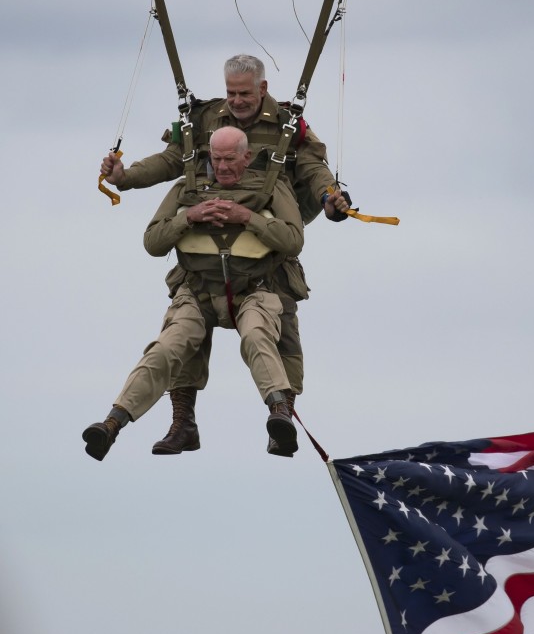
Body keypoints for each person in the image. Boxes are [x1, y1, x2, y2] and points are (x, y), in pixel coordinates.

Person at [100, 54, 350, 455]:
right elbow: (171, 160)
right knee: (179, 338)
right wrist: (125, 179)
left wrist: (330, 198)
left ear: (263, 89)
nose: (236, 101)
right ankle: (180, 423)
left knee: (274, 334)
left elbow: (311, 167)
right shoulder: (205, 121)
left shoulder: (287, 125)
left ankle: (281, 420)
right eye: (231, 92)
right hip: (205, 256)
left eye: (244, 93)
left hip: (266, 245)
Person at [83, 128, 304, 462]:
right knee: (167, 346)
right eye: (217, 159)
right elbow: (153, 242)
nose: (224, 166)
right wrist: (189, 217)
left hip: (256, 288)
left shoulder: (273, 187)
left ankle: (279, 412)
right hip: (198, 291)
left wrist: (247, 217)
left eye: (231, 159)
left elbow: (293, 241)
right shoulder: (187, 187)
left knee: (257, 335)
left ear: (246, 156)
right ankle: (113, 422)